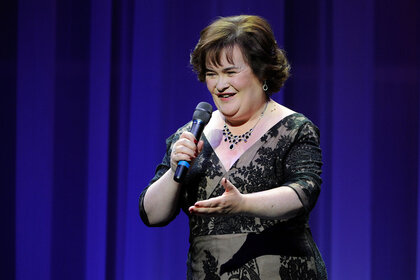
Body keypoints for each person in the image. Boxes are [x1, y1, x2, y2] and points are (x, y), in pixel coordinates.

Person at [139, 15, 327, 279]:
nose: (220, 84)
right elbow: (152, 215)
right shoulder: (191, 134)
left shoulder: (294, 128)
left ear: (261, 70)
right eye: (211, 74)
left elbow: (303, 193)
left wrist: (242, 204)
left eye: (230, 72)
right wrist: (173, 172)